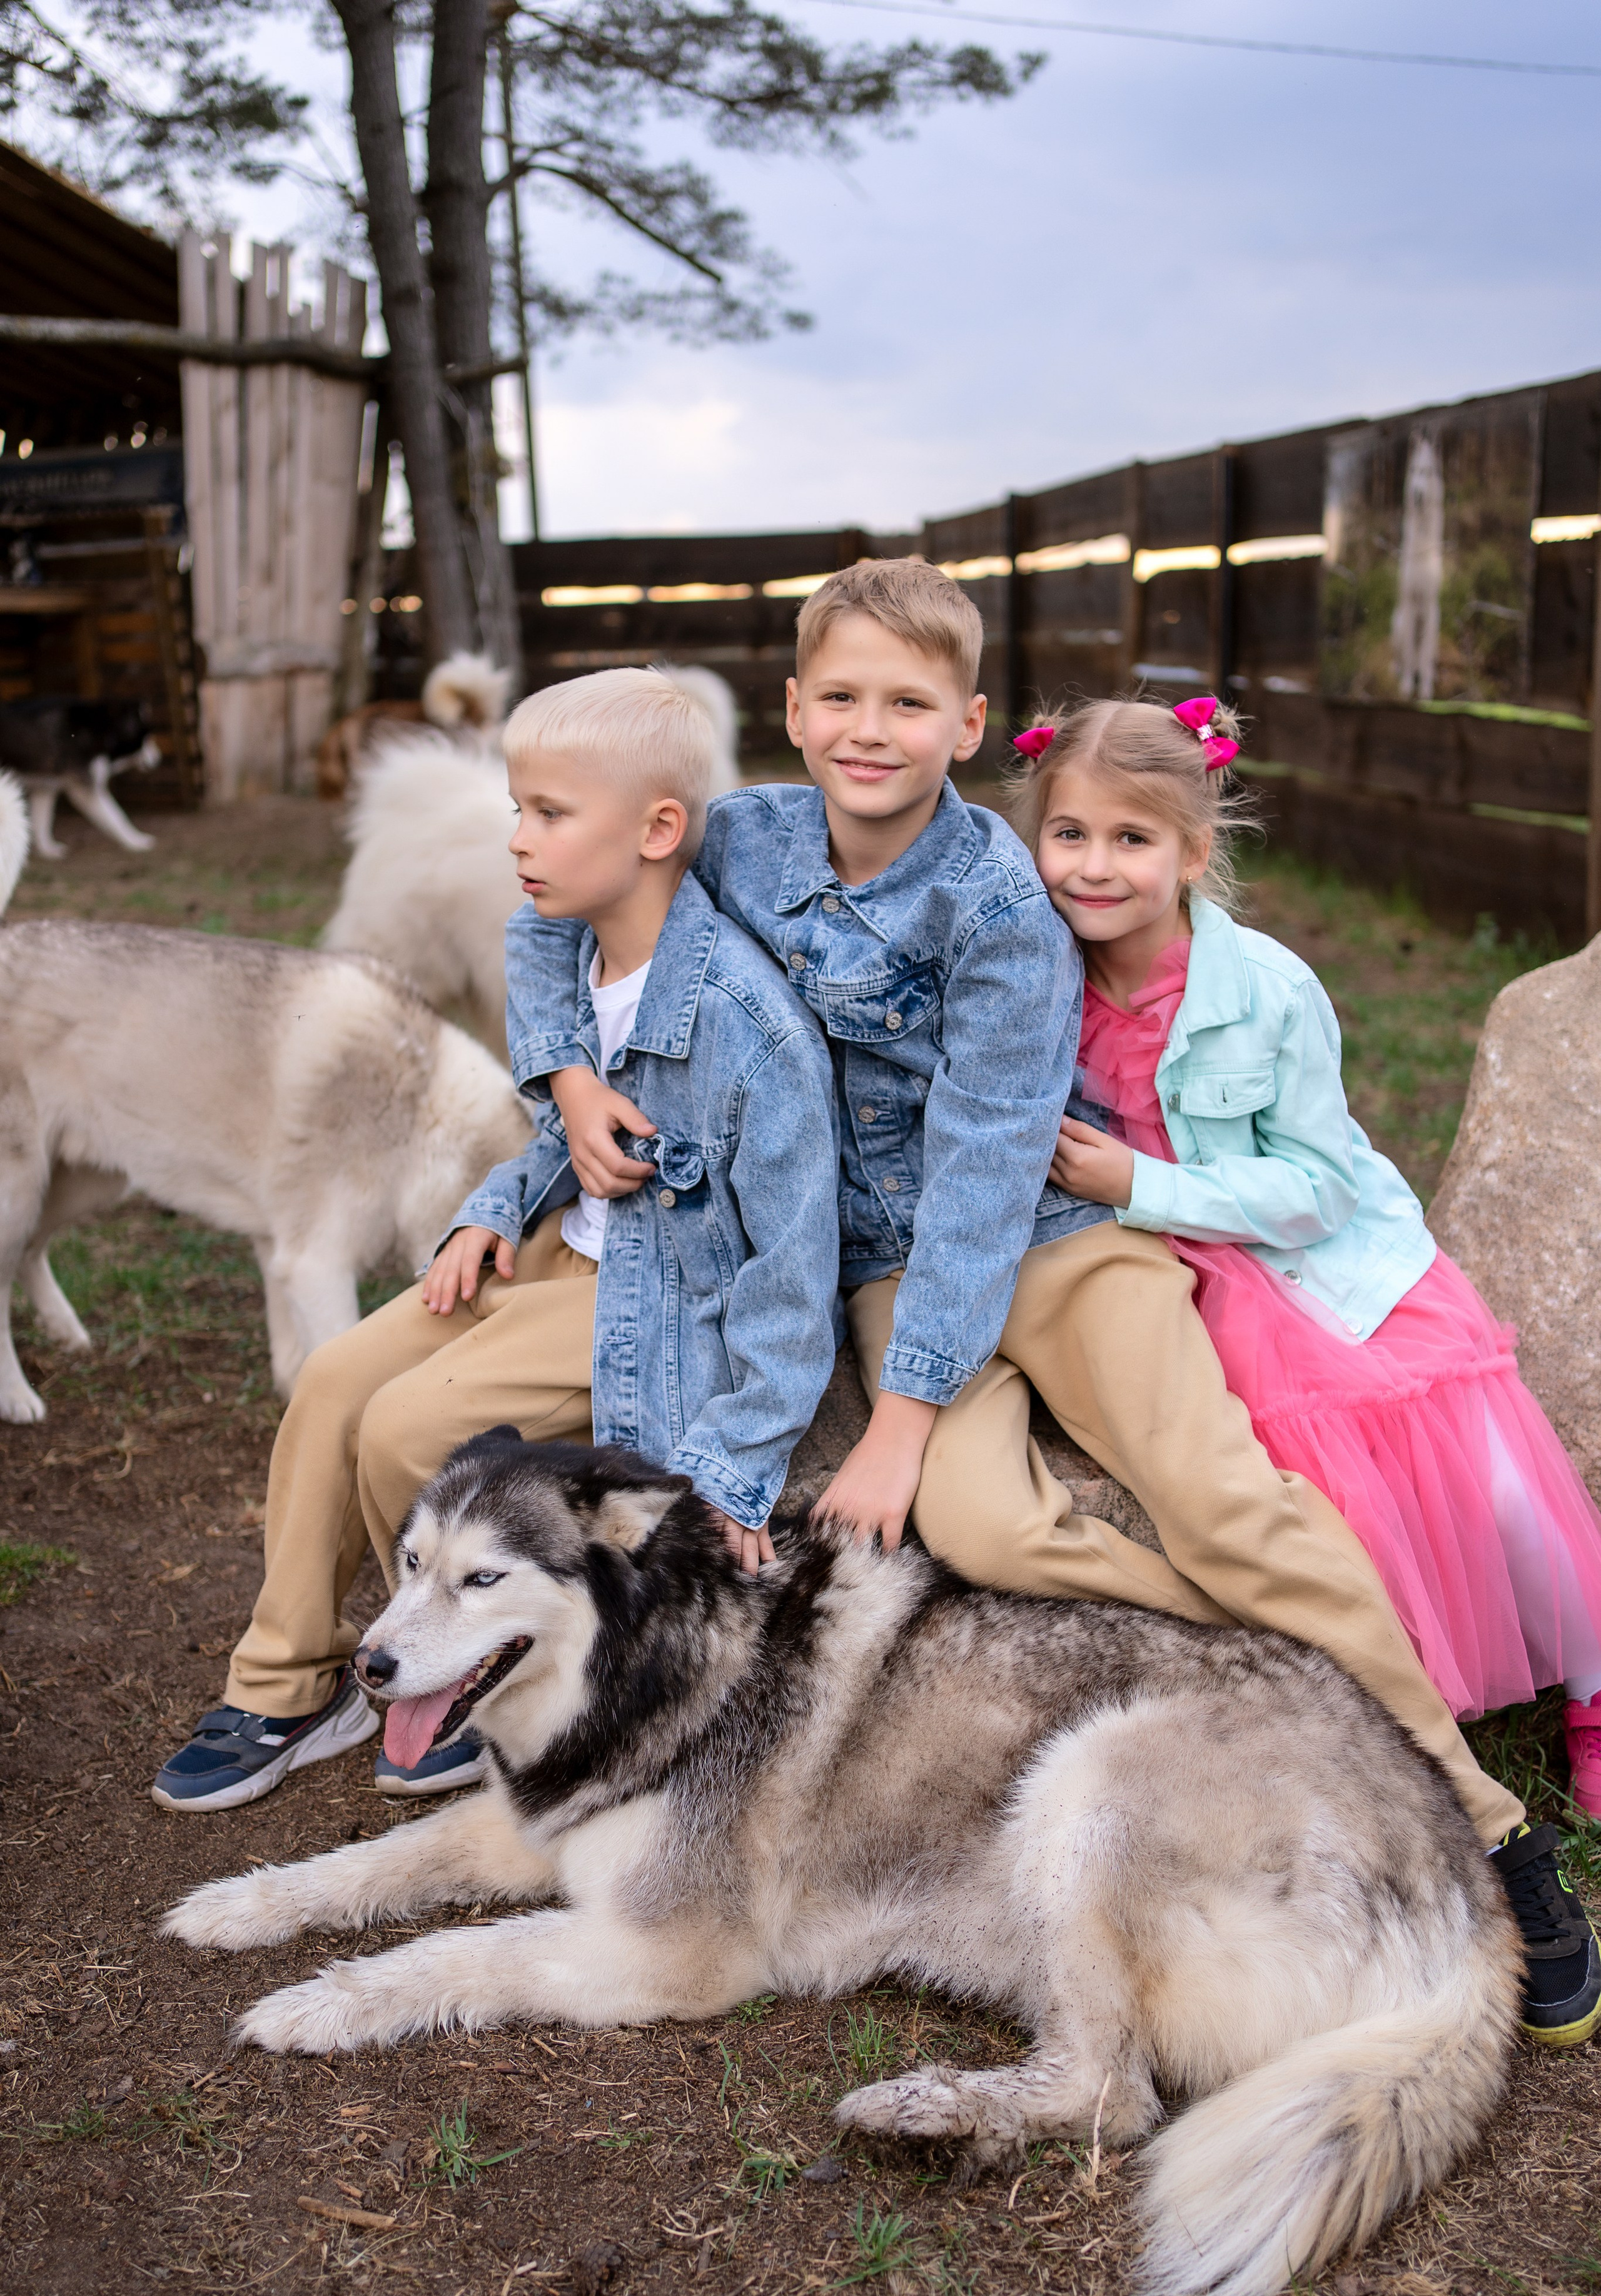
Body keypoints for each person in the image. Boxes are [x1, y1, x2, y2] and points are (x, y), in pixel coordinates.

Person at [502, 559, 1574, 2015]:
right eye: (840, 697)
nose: (869, 729)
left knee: (1216, 1498)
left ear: (966, 721)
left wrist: (900, 1414)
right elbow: (555, 907)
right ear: (794, 712)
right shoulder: (740, 842)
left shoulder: (997, 902)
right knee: (985, 1525)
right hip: (881, 1268)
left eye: (907, 701)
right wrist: (564, 1069)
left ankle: (1484, 1827)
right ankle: (1257, 1654)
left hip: (1048, 1249)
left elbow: (990, 1162)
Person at [1011, 686, 1600, 2045]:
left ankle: (1578, 1677)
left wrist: (1140, 1181)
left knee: (1461, 1475)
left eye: (1130, 842)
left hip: (1294, 1262)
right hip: (1158, 1269)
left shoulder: (1262, 987)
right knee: (1278, 1499)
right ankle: (1381, 1728)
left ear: (1191, 852)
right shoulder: (1031, 967)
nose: (1094, 868)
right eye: (1069, 835)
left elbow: (1318, 1184)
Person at [151, 667, 841, 1811]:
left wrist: (738, 1468)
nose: (518, 839)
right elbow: (562, 1131)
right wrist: (492, 1206)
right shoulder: (568, 942)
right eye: (518, 808)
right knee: (331, 1381)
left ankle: (455, 1672)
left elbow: (793, 1270)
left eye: (548, 815)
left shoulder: (750, 1030)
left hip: (659, 1292)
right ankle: (289, 1679)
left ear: (659, 830)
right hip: (557, 1246)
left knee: (408, 1428)